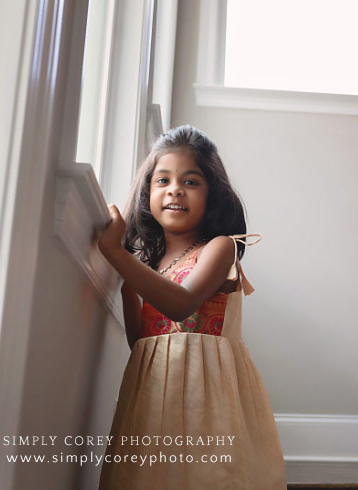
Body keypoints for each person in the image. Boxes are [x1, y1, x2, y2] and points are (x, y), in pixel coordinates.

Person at [95, 125, 286, 489]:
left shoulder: (219, 247)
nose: (175, 190)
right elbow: (142, 341)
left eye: (191, 181)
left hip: (205, 394)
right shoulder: (151, 267)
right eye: (162, 180)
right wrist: (126, 281)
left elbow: (181, 306)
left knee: (203, 476)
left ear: (212, 194)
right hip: (152, 392)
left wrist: (115, 253)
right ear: (147, 192)